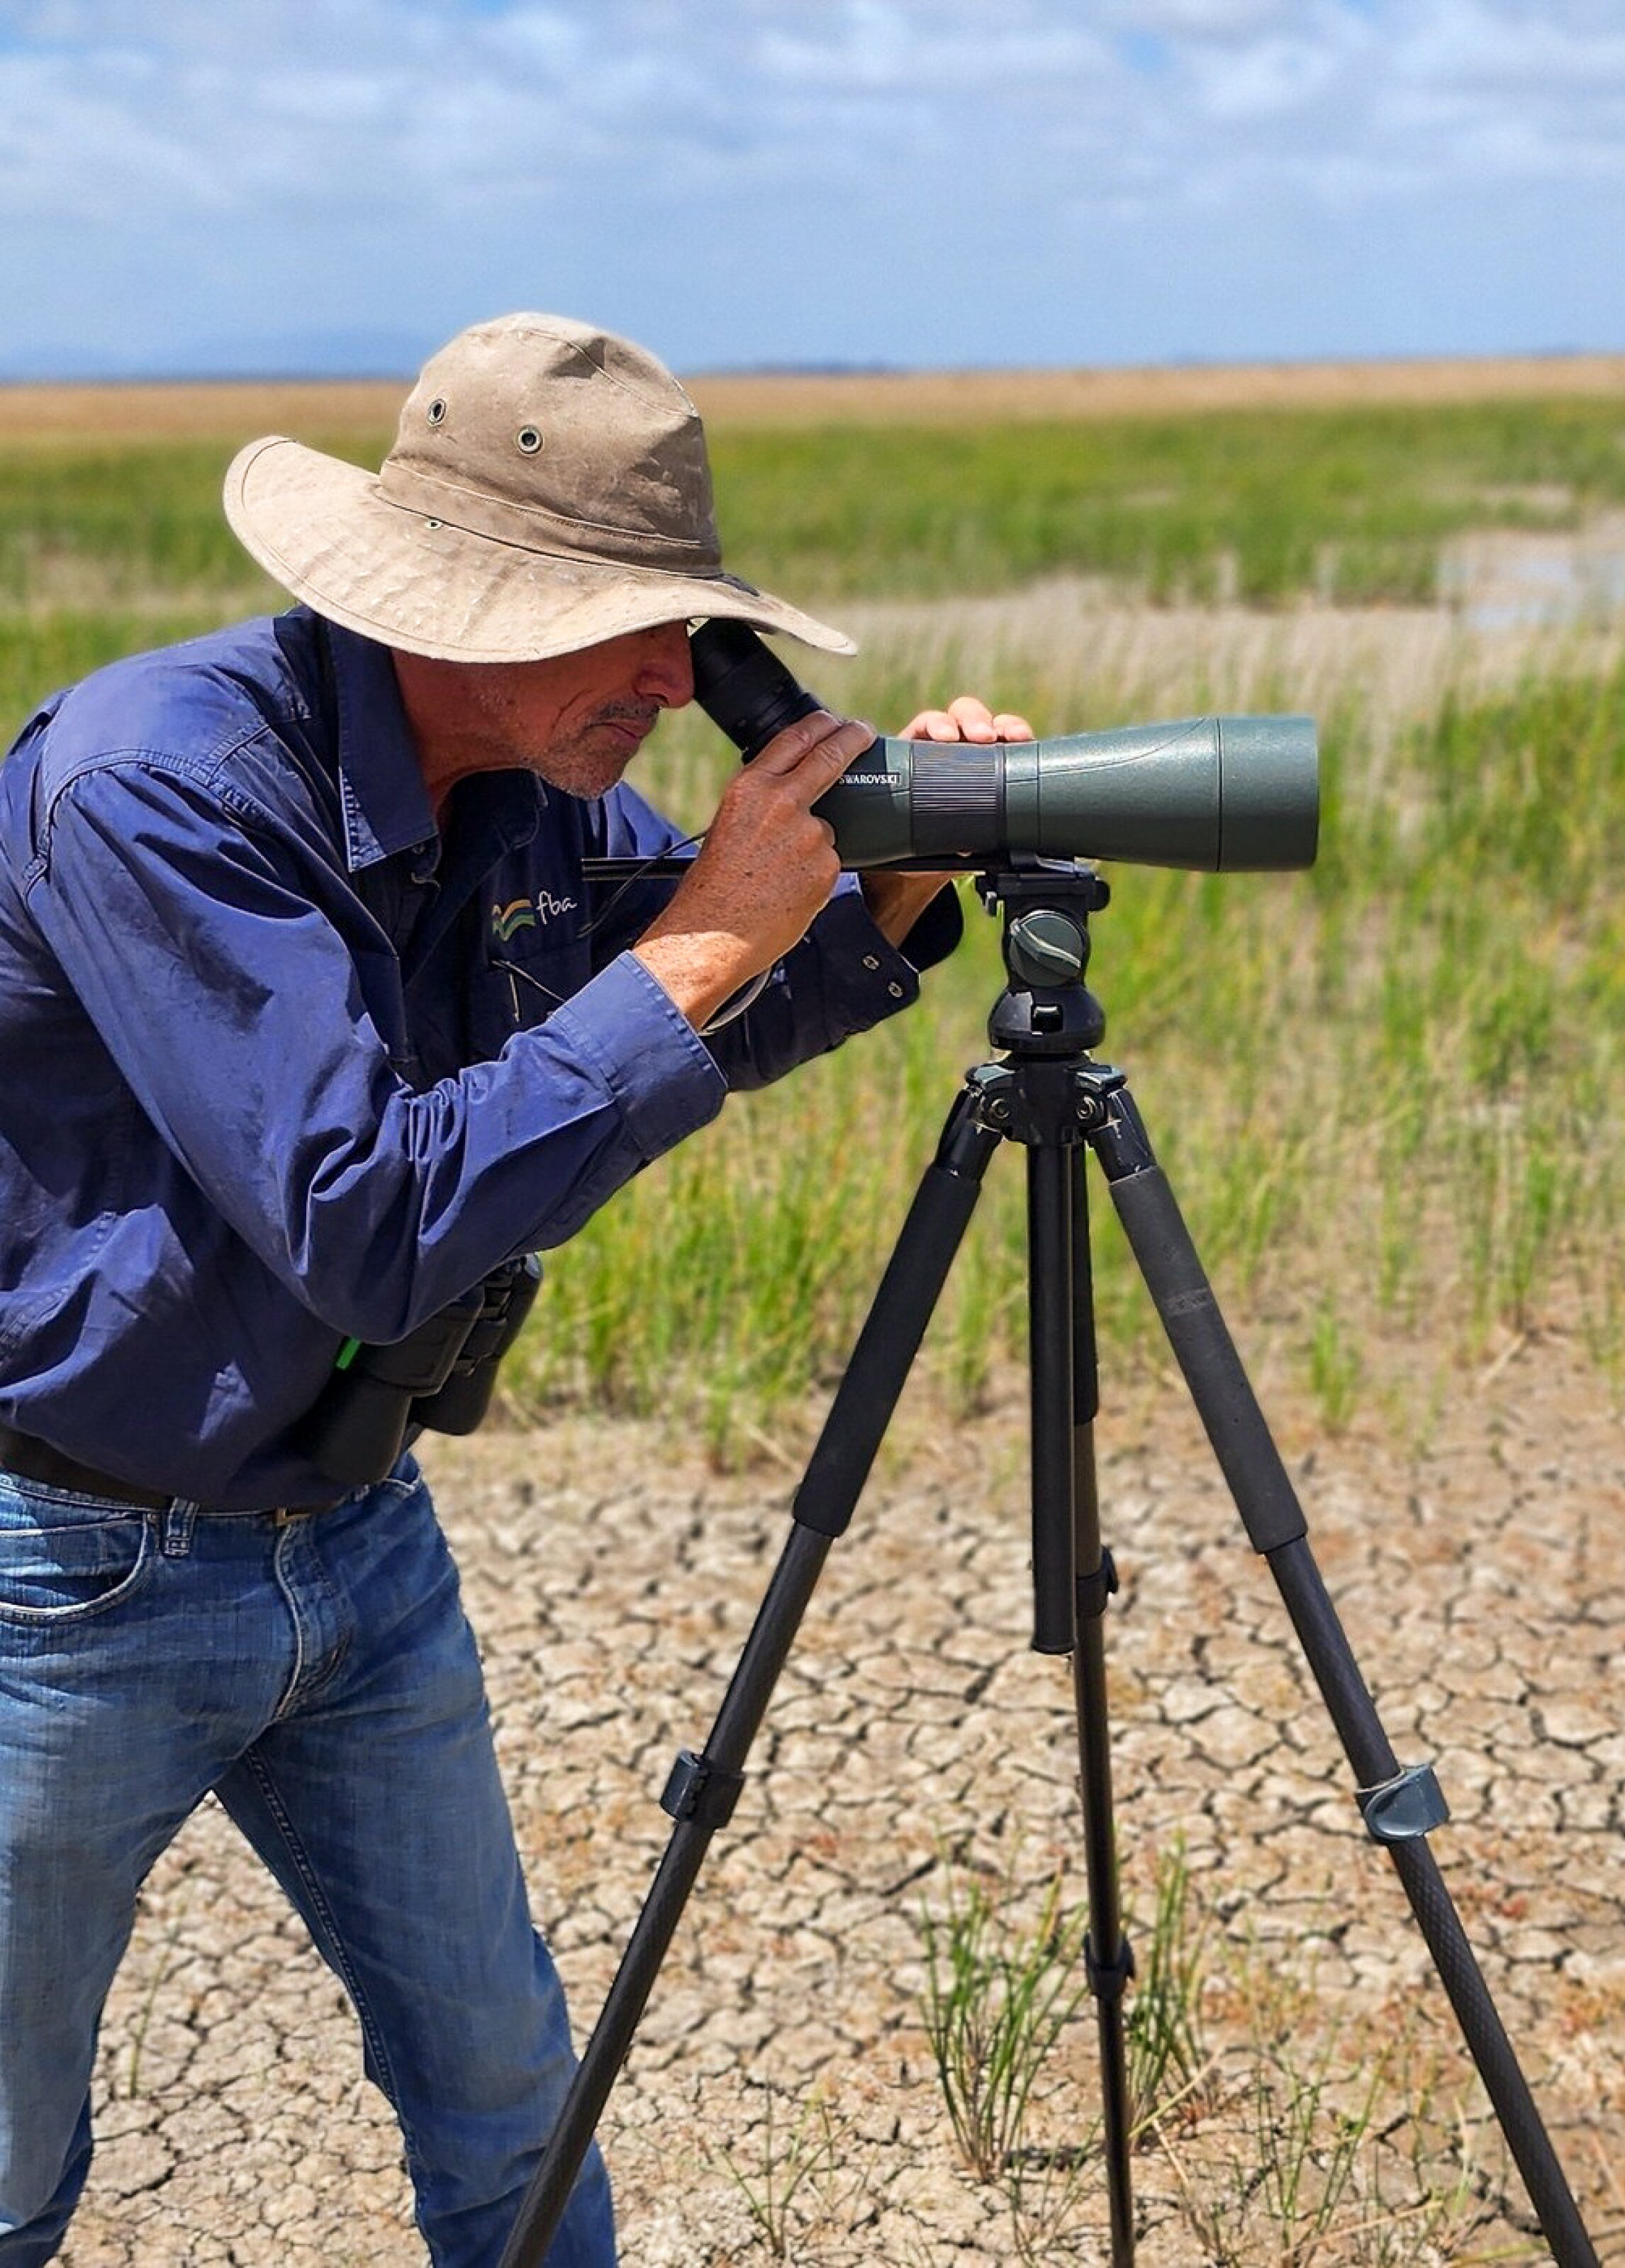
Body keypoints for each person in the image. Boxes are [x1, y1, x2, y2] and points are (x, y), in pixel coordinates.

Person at [0, 311, 1031, 2267]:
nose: (678, 679)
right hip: (67, 1577)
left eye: (694, 630)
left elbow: (692, 1008)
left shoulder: (540, 792)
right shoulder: (161, 786)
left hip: (357, 1537)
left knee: (508, 2119)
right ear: (444, 605)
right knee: (7, 2165)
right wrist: (720, 930)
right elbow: (368, 1216)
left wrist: (880, 883)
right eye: (633, 626)